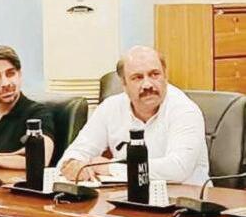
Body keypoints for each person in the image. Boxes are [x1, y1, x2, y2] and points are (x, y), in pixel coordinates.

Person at [59, 46, 209, 185]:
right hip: (127, 197)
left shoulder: (185, 110)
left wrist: (110, 167)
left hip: (184, 198)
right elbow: (74, 154)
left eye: (154, 74)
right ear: (124, 84)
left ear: (165, 76)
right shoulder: (110, 108)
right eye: (137, 77)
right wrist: (75, 164)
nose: (148, 85)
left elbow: (177, 169)